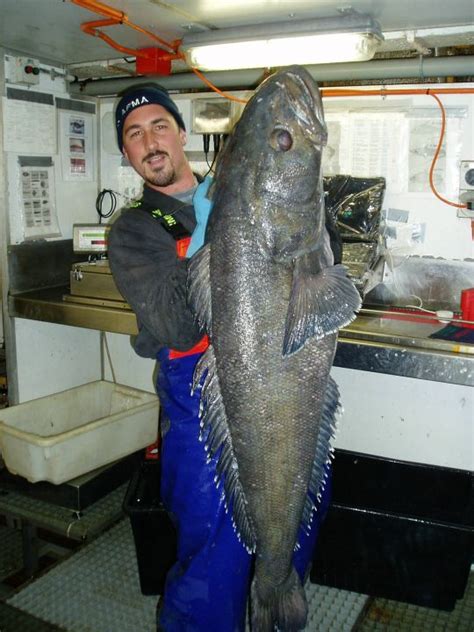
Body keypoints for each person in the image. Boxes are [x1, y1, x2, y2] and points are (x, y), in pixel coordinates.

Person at [108, 84, 332, 632]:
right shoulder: (135, 230)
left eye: (159, 125)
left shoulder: (243, 185)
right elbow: (176, 324)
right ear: (127, 154)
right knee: (215, 562)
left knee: (292, 535)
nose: (149, 141)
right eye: (134, 135)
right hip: (201, 410)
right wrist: (218, 234)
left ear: (182, 134)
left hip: (285, 398)